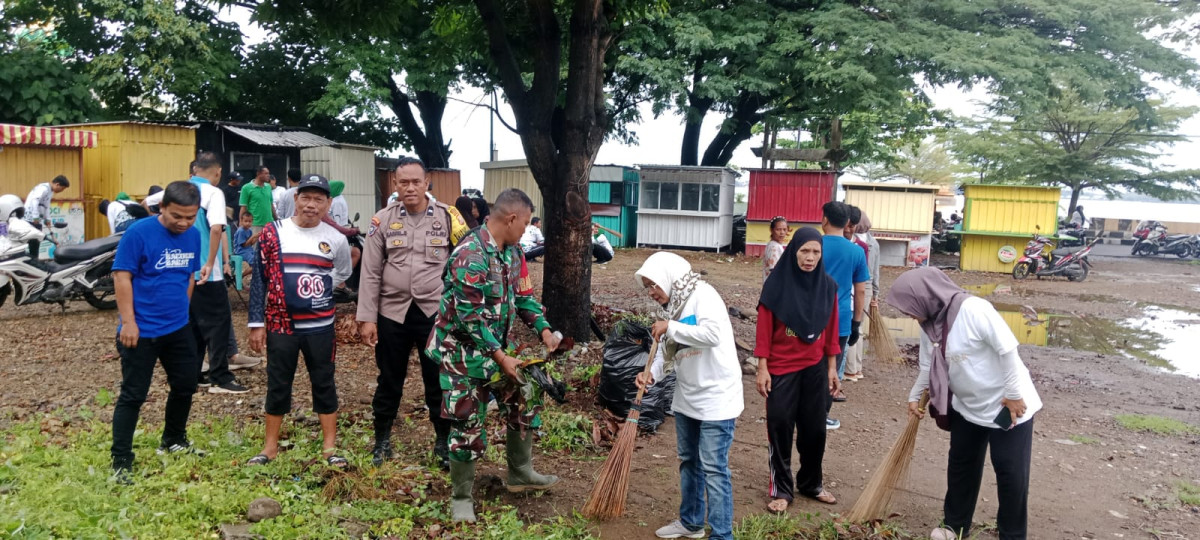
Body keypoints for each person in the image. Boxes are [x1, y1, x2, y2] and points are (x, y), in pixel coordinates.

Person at [427, 188, 561, 523]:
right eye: (527, 222)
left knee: (524, 396)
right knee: (467, 420)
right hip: (462, 352)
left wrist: (544, 329)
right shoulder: (471, 254)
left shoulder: (514, 253)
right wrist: (501, 357)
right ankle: (461, 497)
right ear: (511, 218)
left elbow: (524, 297)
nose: (527, 229)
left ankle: (520, 473)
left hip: (496, 348)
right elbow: (469, 319)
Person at [886, 267, 1042, 540]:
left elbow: (1007, 350)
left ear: (925, 296)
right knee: (961, 466)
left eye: (908, 307)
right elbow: (927, 364)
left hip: (1007, 404)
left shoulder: (973, 309)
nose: (907, 314)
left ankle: (1012, 534)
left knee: (1010, 472)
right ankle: (955, 526)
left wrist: (1015, 394)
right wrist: (914, 395)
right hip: (967, 405)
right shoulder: (929, 323)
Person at [358, 156, 469, 470]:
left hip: (434, 312)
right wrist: (366, 317)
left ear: (426, 183)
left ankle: (442, 442)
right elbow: (370, 272)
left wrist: (461, 311)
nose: (409, 187)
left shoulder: (449, 218)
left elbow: (465, 263)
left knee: (437, 379)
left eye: (415, 182)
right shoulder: (381, 220)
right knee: (389, 380)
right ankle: (382, 441)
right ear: (395, 183)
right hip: (392, 313)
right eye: (403, 182)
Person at [245, 174, 353, 467]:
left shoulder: (336, 239)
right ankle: (269, 448)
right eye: (305, 197)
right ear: (295, 199)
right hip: (282, 325)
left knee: (324, 382)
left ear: (328, 204)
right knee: (278, 382)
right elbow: (260, 280)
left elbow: (342, 272)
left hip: (321, 326)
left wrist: (319, 291)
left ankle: (329, 448)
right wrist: (257, 323)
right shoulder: (273, 232)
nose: (311, 205)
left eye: (319, 199)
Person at [633, 251, 742, 540]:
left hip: (718, 398)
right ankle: (691, 523)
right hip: (687, 397)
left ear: (669, 278)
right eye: (647, 287)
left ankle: (722, 535)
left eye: (654, 285)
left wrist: (672, 326)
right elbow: (668, 349)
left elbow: (713, 335)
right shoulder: (670, 307)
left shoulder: (703, 296)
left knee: (714, 468)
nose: (651, 292)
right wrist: (652, 374)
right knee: (689, 461)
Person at [109, 181, 204, 482]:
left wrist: (182, 313)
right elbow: (122, 277)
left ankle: (173, 440)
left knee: (186, 385)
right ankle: (121, 459)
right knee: (133, 394)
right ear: (161, 207)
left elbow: (188, 276)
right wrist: (129, 322)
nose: (184, 223)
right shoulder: (139, 233)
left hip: (178, 327)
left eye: (190, 217)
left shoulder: (195, 235)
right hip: (142, 329)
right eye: (177, 216)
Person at [753, 227, 841, 512]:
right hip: (781, 368)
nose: (810, 257)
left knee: (815, 429)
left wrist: (831, 368)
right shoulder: (776, 286)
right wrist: (762, 368)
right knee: (779, 425)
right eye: (804, 251)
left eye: (816, 252)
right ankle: (782, 489)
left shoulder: (827, 286)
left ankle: (811, 483)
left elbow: (831, 329)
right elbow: (764, 330)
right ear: (794, 252)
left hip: (815, 368)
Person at [144, 152, 246, 394]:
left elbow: (145, 204)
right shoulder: (213, 193)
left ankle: (196, 373)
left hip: (181, 269)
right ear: (218, 172)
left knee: (192, 325)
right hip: (206, 273)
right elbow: (216, 229)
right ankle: (220, 377)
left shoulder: (175, 190)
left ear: (194, 170)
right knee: (219, 325)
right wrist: (211, 262)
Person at [820, 201, 868, 429]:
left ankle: (801, 413)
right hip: (840, 321)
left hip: (808, 320)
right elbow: (860, 290)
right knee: (832, 369)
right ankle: (822, 417)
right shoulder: (857, 252)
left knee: (805, 366)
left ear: (825, 220)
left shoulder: (812, 244)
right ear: (848, 223)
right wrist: (857, 323)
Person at [844, 210, 879, 382]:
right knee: (859, 329)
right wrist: (875, 294)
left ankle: (850, 369)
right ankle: (857, 369)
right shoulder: (873, 243)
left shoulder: (858, 245)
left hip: (857, 287)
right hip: (868, 287)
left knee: (852, 326)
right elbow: (876, 271)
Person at [239, 166, 276, 236]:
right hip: (254, 224)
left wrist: (276, 219)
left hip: (269, 224)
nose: (268, 176)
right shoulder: (246, 188)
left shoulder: (268, 187)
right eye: (266, 173)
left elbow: (271, 205)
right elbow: (243, 207)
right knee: (254, 246)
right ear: (259, 174)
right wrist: (241, 223)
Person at [762, 216, 789, 282]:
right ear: (772, 230)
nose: (782, 232)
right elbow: (774, 270)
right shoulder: (775, 247)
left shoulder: (771, 244)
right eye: (778, 229)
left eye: (784, 229)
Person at [231, 211, 257, 276]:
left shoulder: (249, 230)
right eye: (246, 221)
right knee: (255, 265)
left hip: (249, 250)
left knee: (259, 259)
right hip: (241, 251)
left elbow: (251, 243)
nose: (248, 223)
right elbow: (243, 245)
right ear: (242, 221)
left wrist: (257, 237)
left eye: (250, 221)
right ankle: (241, 276)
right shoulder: (241, 231)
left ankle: (242, 276)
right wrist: (253, 236)